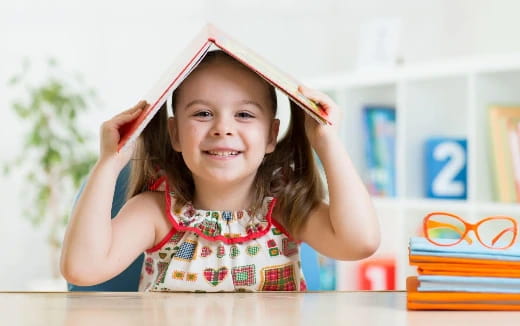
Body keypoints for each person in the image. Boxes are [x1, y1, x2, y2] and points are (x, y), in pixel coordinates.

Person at [60, 50, 380, 292]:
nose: (223, 128)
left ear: (271, 135)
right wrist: (109, 163)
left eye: (243, 114)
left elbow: (360, 242)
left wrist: (327, 141)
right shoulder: (155, 212)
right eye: (202, 113)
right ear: (175, 134)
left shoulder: (285, 210)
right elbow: (82, 269)